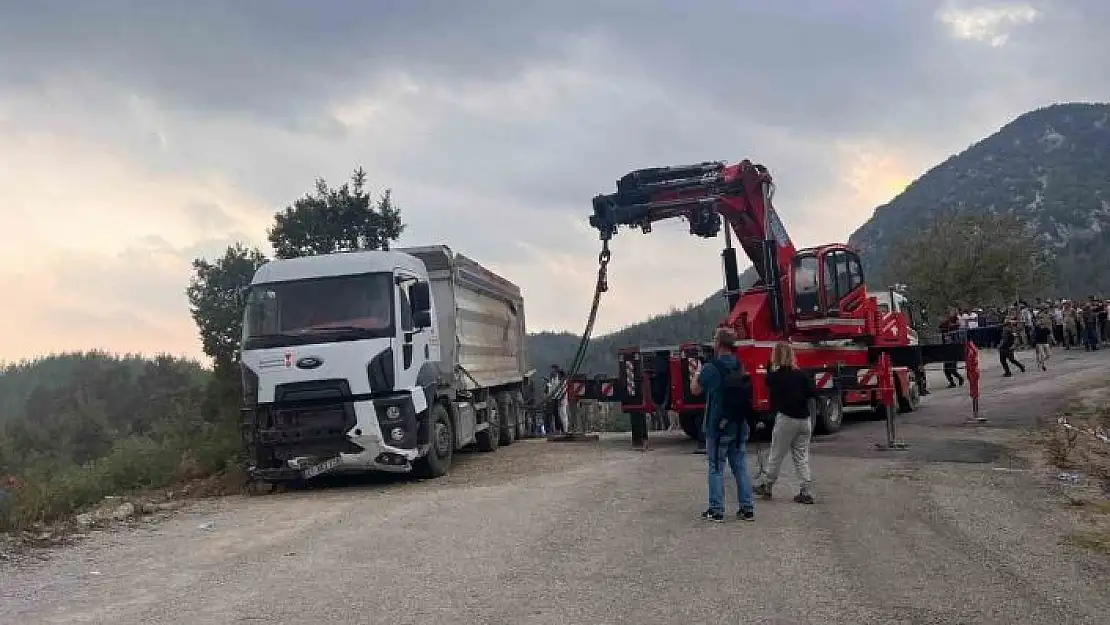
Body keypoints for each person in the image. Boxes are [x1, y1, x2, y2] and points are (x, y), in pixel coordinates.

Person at [690, 327, 755, 523]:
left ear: (718, 344)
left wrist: (696, 373)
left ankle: (716, 509)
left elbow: (695, 390)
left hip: (718, 425)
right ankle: (747, 508)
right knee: (740, 465)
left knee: (716, 467)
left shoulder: (712, 368)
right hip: (739, 423)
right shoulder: (739, 365)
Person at [754, 341, 817, 505]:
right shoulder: (802, 375)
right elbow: (812, 393)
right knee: (801, 456)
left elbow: (768, 380)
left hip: (786, 419)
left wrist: (769, 366)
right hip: (804, 420)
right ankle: (806, 490)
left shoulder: (776, 376)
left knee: (776, 454)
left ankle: (767, 485)